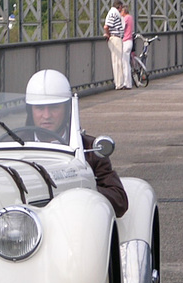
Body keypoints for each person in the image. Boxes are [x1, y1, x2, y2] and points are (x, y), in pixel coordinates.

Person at [25, 69, 129, 217]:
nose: (46, 115)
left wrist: (83, 190)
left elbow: (119, 201)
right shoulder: (14, 147)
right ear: (30, 110)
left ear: (67, 108)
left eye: (54, 107)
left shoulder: (90, 148)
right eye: (40, 108)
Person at [103, 0, 125, 90]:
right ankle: (119, 83)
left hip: (115, 38)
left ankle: (119, 83)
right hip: (115, 38)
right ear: (119, 7)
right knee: (117, 62)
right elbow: (106, 26)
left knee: (117, 61)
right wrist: (108, 34)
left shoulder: (112, 12)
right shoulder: (114, 13)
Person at [121, 5, 134, 90]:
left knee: (125, 63)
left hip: (126, 41)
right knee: (127, 64)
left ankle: (127, 83)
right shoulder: (131, 17)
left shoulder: (126, 18)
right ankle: (129, 83)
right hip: (130, 41)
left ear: (124, 12)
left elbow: (122, 28)